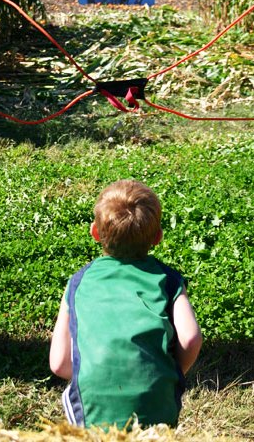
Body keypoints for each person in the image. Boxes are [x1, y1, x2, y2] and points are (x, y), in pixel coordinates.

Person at [49, 179, 202, 430]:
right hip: (157, 404)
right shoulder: (169, 280)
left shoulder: (78, 282)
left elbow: (58, 363)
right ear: (158, 237)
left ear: (94, 233)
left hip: (93, 410)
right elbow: (191, 339)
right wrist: (168, 372)